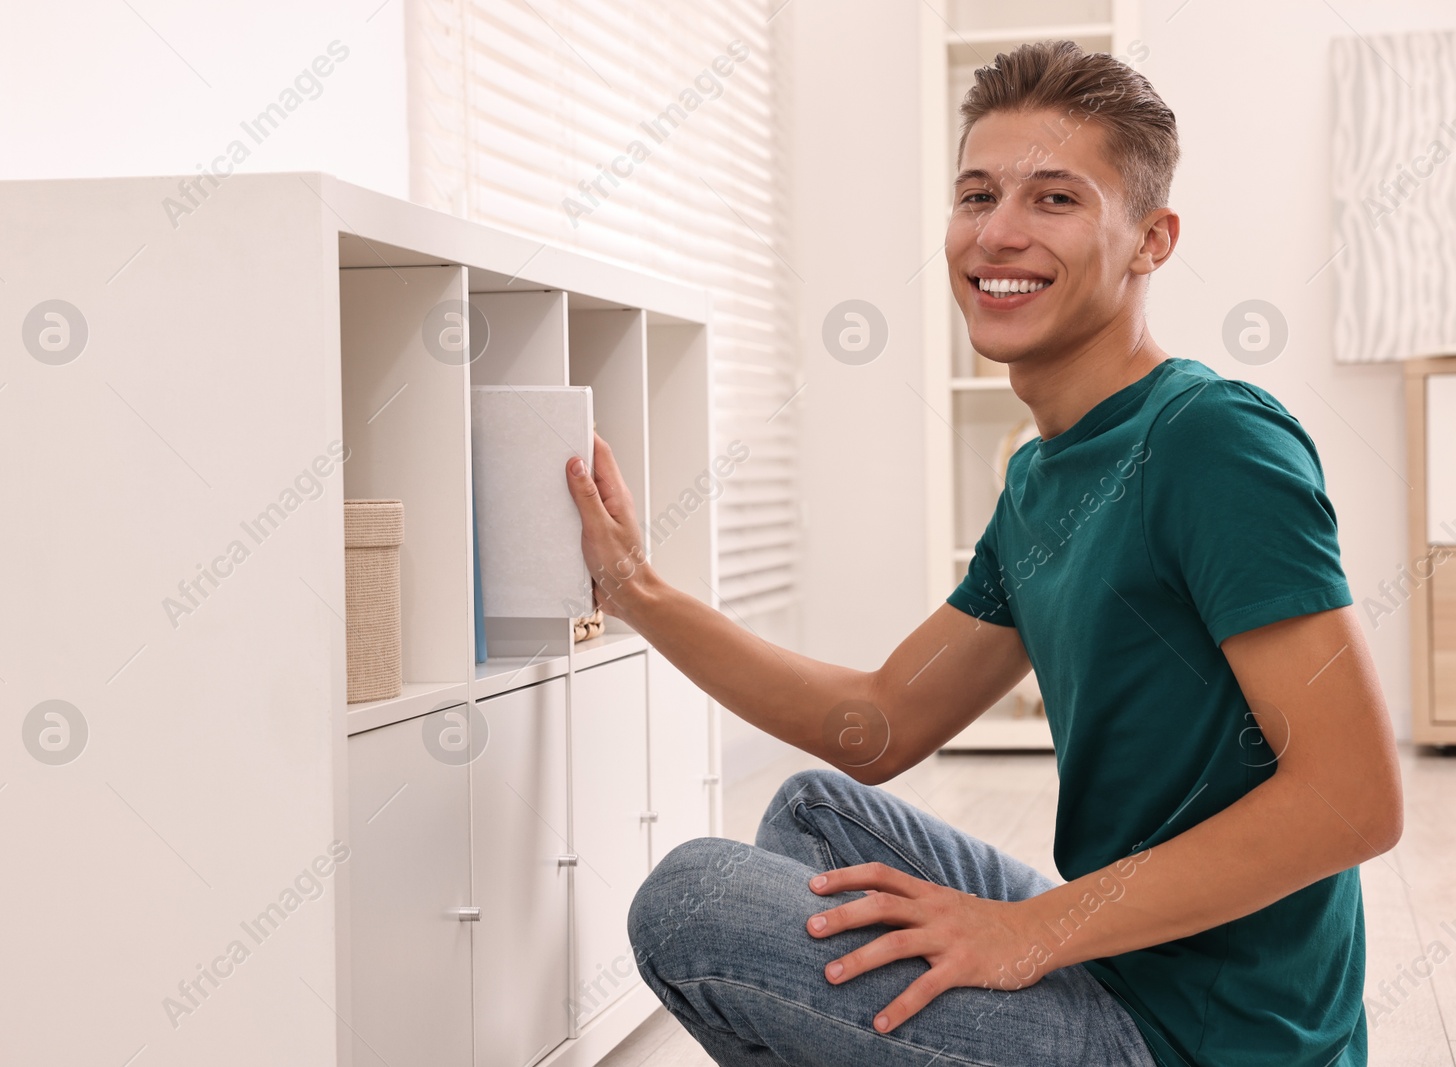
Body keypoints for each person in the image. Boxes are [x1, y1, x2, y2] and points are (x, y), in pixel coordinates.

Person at [564, 38, 1400, 1067]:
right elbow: (876, 723)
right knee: (817, 813)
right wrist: (636, 589)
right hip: (1127, 960)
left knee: (692, 896)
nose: (998, 233)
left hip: (1207, 1037)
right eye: (976, 194)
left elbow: (1353, 797)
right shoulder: (1039, 476)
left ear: (1151, 237)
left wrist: (1025, 930)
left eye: (1054, 199)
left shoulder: (1211, 439)